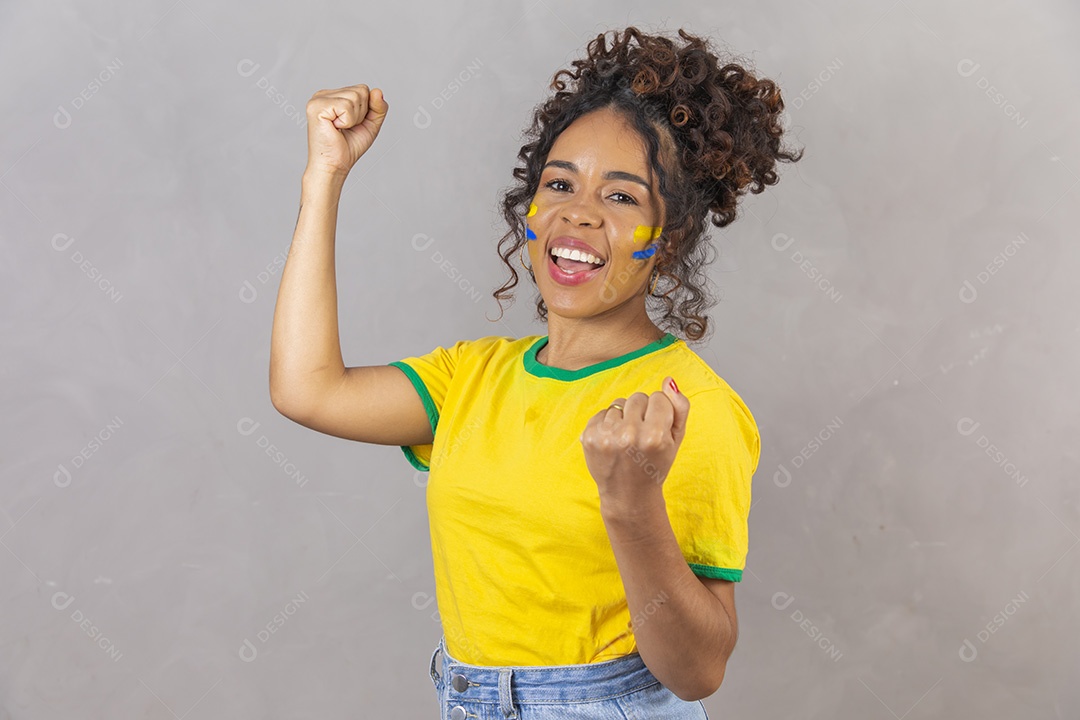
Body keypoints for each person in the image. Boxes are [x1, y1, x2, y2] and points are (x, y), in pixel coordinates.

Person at [270, 25, 802, 720]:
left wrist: (632, 502)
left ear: (666, 243)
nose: (578, 214)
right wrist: (325, 176)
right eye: (559, 184)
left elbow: (697, 670)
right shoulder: (472, 378)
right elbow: (306, 388)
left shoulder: (685, 406)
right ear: (530, 210)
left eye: (620, 198)